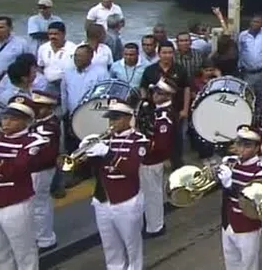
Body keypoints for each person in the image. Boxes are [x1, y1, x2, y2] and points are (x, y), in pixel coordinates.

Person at [0, 96, 48, 270]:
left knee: (25, 256)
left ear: (27, 121)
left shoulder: (33, 142)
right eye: (5, 117)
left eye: (14, 119)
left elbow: (13, 171)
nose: (7, 122)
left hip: (15, 205)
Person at [80, 100, 149, 270]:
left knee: (132, 244)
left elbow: (131, 168)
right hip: (103, 198)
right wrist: (86, 154)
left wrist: (107, 153)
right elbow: (93, 170)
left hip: (126, 198)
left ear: (128, 119)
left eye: (116, 119)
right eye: (110, 119)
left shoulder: (138, 140)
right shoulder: (105, 140)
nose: (111, 123)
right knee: (110, 245)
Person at [215, 125, 262, 270]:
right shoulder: (231, 164)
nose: (241, 149)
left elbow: (251, 200)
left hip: (247, 227)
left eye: (247, 146)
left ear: (257, 148)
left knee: (248, 266)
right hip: (228, 222)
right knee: (231, 263)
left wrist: (229, 185)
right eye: (239, 144)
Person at [139, 41, 189, 169]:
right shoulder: (150, 70)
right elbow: (143, 87)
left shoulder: (180, 69)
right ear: (159, 53)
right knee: (155, 136)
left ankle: (177, 163)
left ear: (174, 53)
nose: (167, 55)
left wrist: (185, 109)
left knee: (177, 137)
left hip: (176, 110)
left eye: (170, 52)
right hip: (153, 111)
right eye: (164, 52)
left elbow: (187, 89)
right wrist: (144, 101)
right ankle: (157, 160)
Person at [140, 77, 178, 238]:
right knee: (150, 193)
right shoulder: (157, 111)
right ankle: (153, 223)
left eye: (159, 92)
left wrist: (141, 148)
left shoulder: (164, 116)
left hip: (152, 160)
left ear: (168, 96)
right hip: (150, 160)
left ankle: (155, 226)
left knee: (152, 194)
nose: (155, 94)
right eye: (155, 91)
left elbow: (160, 144)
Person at [29, 90, 61, 251]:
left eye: (40, 107)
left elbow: (44, 153)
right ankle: (41, 235)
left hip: (41, 169)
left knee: (39, 204)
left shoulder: (48, 126)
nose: (37, 110)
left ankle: (45, 239)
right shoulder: (40, 122)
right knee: (40, 202)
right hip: (38, 169)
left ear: (49, 108)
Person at [37, 21, 77, 93]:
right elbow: (40, 67)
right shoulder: (43, 48)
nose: (52, 37)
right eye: (50, 34)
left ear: (64, 34)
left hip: (67, 85)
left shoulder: (73, 48)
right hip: (47, 85)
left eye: (56, 34)